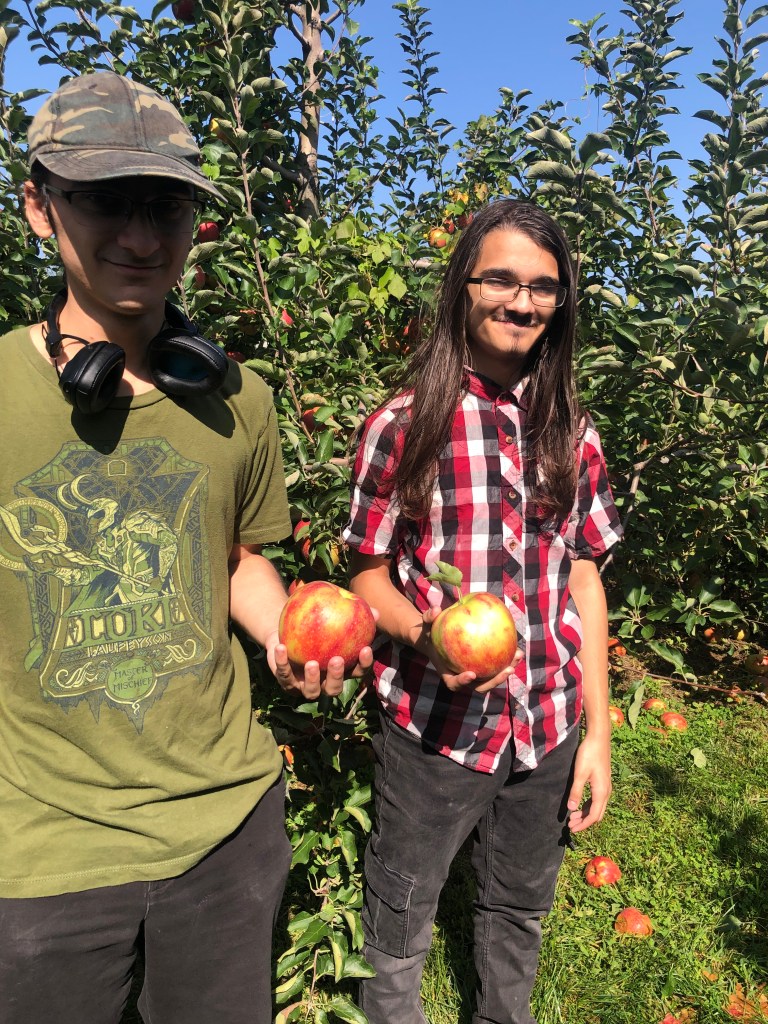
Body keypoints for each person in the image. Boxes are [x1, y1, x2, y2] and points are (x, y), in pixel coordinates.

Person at [0, 71, 372, 1024]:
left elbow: (242, 558)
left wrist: (285, 631)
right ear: (39, 207)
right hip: (41, 849)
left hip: (225, 832)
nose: (138, 236)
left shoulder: (237, 398)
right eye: (104, 202)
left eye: (165, 207)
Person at [344, 199, 623, 1024]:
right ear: (463, 287)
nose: (522, 300)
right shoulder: (405, 425)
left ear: (561, 302)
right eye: (500, 278)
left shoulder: (571, 429)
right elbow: (365, 574)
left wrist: (598, 731)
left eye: (543, 286)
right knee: (402, 899)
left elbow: (583, 579)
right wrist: (421, 635)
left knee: (520, 900)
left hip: (547, 722)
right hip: (436, 723)